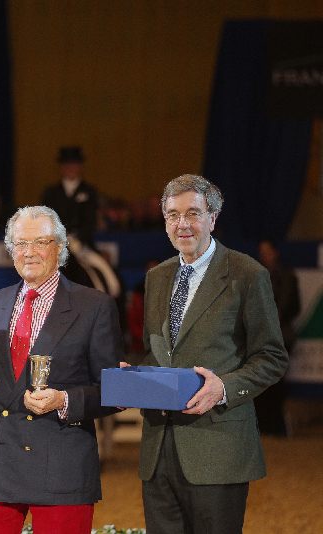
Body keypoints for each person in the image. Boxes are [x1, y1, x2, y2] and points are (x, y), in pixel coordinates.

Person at [130, 174, 288, 534]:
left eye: (193, 213)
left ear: (213, 218)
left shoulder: (247, 274)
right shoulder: (157, 277)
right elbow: (157, 355)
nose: (182, 224)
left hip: (218, 453)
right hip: (158, 453)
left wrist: (225, 388)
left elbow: (273, 357)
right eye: (172, 215)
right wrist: (135, 379)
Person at [0, 205, 123, 534]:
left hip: (61, 466)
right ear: (10, 251)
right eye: (21, 244)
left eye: (41, 242)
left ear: (60, 247)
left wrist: (64, 400)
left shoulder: (94, 306)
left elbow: (112, 391)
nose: (30, 252)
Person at [254, 239, 300, 436]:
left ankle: (277, 425)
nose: (265, 255)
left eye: (268, 251)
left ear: (276, 252)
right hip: (259, 338)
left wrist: (277, 317)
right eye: (262, 252)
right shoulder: (255, 275)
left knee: (277, 382)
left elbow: (294, 306)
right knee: (259, 382)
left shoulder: (288, 276)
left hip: (282, 337)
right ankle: (262, 425)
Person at [40, 146, 99, 247]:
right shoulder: (50, 193)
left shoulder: (90, 191)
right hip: (56, 247)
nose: (70, 168)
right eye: (66, 164)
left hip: (83, 247)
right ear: (61, 167)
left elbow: (91, 221)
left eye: (74, 164)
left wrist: (76, 238)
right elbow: (45, 220)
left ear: (80, 166)